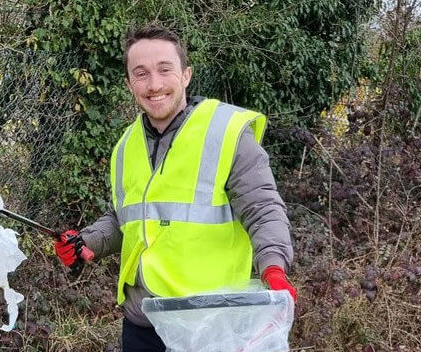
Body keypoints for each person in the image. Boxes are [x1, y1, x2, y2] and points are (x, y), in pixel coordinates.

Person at [54, 23, 296, 352]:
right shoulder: (126, 146)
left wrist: (273, 268)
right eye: (141, 74)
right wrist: (88, 242)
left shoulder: (226, 133)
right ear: (129, 84)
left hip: (212, 325)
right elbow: (126, 216)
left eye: (164, 70)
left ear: (185, 75)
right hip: (143, 325)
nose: (154, 85)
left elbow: (263, 208)